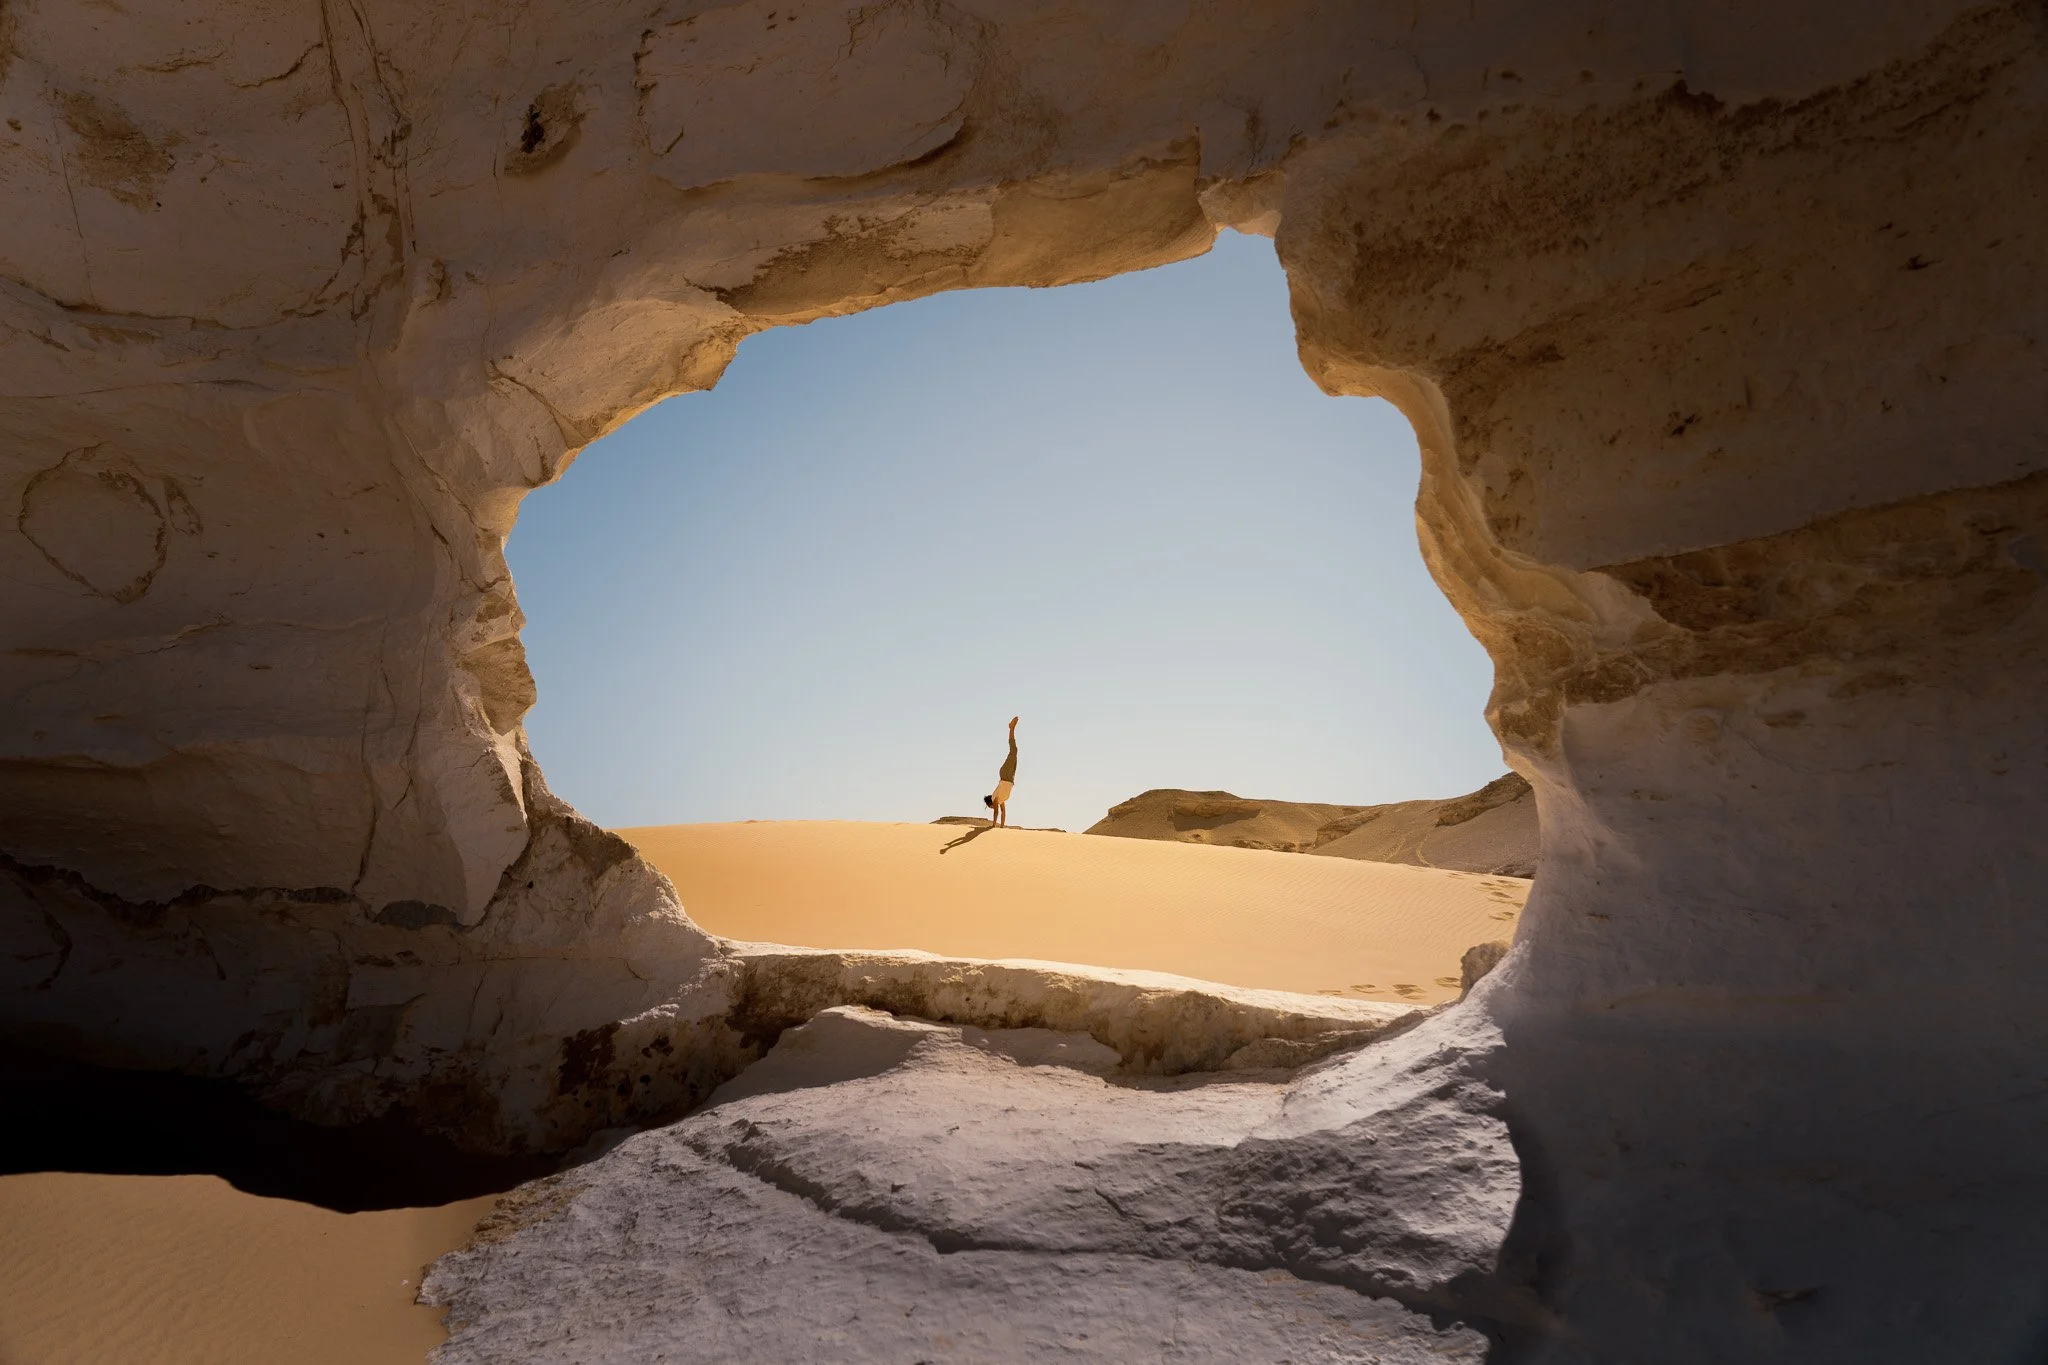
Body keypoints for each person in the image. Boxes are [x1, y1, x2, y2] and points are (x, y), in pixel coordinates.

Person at [982, 715, 1019, 826]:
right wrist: (1002, 826)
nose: (993, 808)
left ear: (990, 804)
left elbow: (997, 811)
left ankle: (1011, 728)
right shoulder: (1001, 800)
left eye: (991, 808)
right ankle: (1011, 728)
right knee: (1014, 753)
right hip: (1010, 778)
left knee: (1014, 751)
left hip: (1005, 775)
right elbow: (1003, 811)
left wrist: (994, 825)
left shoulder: (995, 798)